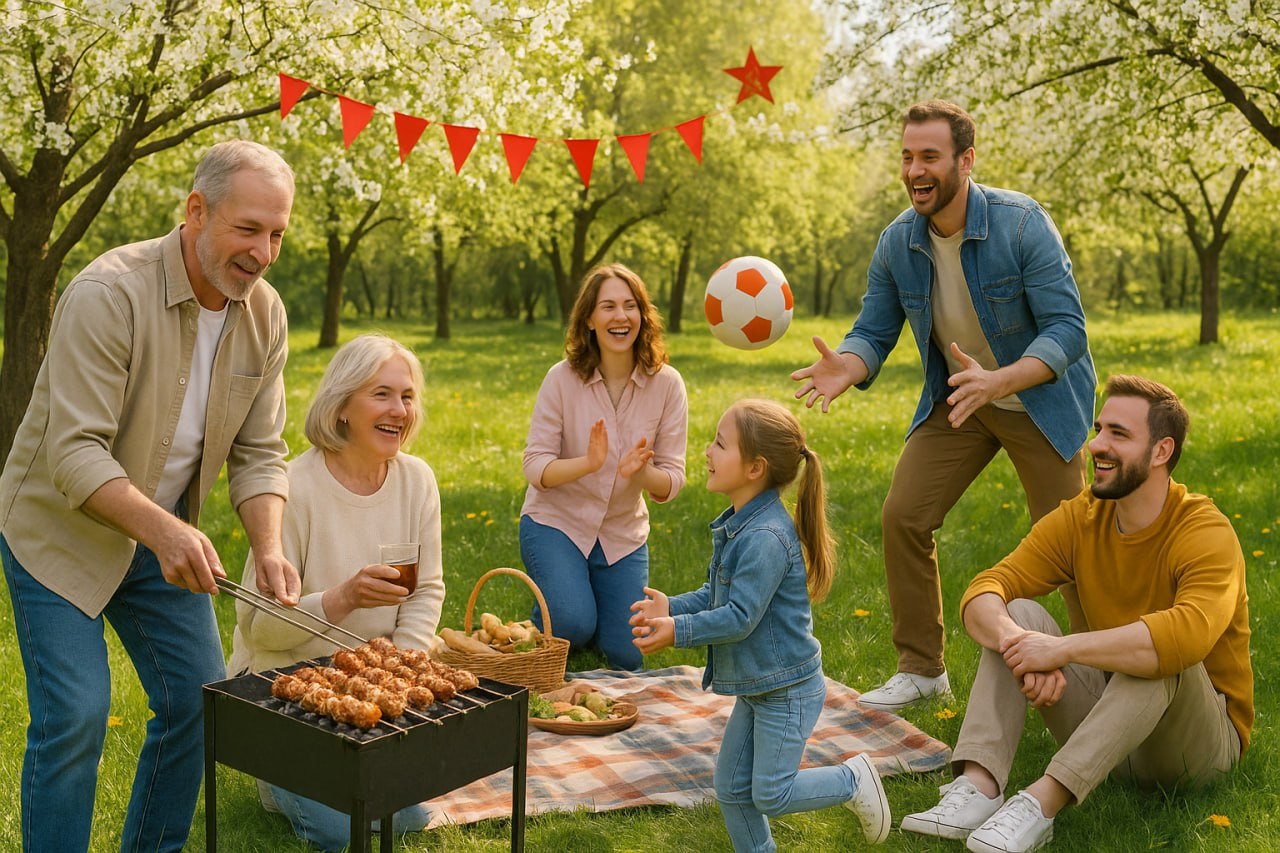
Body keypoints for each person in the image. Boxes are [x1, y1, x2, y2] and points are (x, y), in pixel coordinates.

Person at [0, 139, 300, 853]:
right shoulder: (108, 293)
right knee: (76, 712)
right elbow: (74, 454)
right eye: (248, 229)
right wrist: (166, 532)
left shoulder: (265, 315)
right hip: (58, 533)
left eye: (278, 234)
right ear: (196, 211)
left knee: (201, 700)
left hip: (161, 539)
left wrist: (269, 546)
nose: (263, 252)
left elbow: (260, 452)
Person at [791, 99, 1096, 712]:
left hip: (1037, 400)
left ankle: (1097, 666)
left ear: (965, 160)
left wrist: (1002, 380)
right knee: (904, 516)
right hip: (962, 400)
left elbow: (1066, 330)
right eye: (907, 157)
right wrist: (846, 367)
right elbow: (874, 331)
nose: (914, 170)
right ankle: (923, 667)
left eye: (929, 156)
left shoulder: (1020, 223)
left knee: (1070, 545)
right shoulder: (898, 242)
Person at [901, 376, 1252, 853]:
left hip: (1193, 747)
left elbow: (1186, 637)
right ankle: (978, 788)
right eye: (1099, 429)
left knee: (1161, 653)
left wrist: (1060, 649)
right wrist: (1021, 647)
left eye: (1118, 435)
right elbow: (985, 589)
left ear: (1161, 451)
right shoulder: (1080, 518)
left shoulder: (1205, 531)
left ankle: (1041, 803)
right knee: (1019, 612)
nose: (1096, 445)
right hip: (1107, 726)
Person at [629, 399, 890, 851]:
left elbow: (739, 618)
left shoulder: (766, 537)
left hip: (787, 690)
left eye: (719, 444)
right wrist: (670, 606)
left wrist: (678, 630)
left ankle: (853, 779)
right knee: (732, 788)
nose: (707, 452)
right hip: (760, 684)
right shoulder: (741, 525)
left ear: (755, 468)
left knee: (771, 792)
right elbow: (719, 596)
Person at [227, 333, 444, 850]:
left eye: (407, 396)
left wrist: (400, 670)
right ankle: (277, 780)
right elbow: (258, 627)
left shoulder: (417, 481)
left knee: (413, 816)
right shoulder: (292, 489)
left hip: (371, 695)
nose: (399, 410)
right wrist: (341, 598)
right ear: (342, 406)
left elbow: (426, 589)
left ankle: (343, 772)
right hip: (292, 693)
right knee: (336, 830)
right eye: (382, 394)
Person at [520, 263, 688, 670]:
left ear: (642, 317)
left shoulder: (667, 384)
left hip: (621, 534)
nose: (620, 317)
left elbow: (673, 479)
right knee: (572, 625)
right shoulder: (561, 379)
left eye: (630, 306)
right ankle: (560, 606)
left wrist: (641, 473)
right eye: (608, 307)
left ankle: (581, 596)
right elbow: (535, 466)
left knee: (629, 653)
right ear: (590, 319)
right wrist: (588, 464)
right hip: (556, 523)